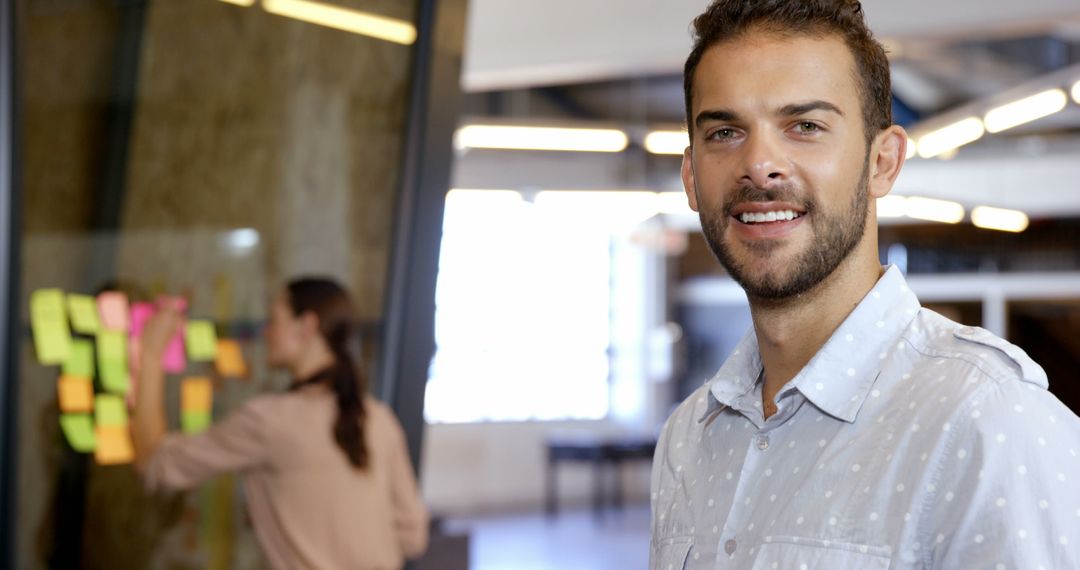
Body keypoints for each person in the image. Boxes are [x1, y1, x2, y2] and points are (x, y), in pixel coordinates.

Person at [650, 1, 1080, 569]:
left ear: (883, 162)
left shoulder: (991, 422)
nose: (759, 164)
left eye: (805, 126)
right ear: (690, 177)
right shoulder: (686, 440)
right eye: (725, 132)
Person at [132, 278, 429, 570]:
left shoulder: (269, 421)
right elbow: (412, 536)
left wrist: (151, 353)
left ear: (307, 326)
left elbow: (155, 462)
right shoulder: (380, 419)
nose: (266, 332)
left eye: (274, 320)